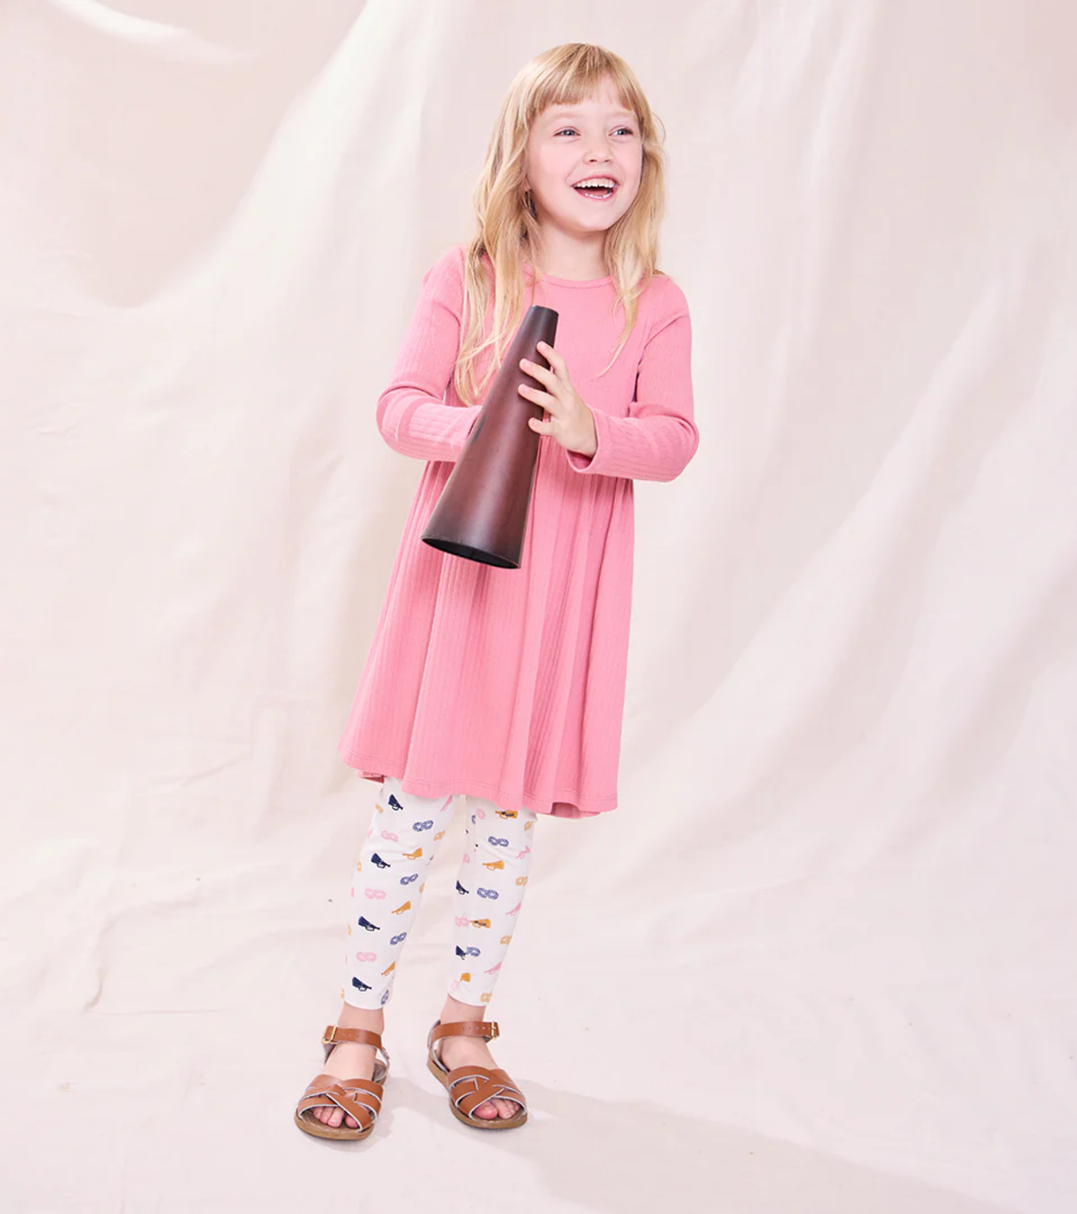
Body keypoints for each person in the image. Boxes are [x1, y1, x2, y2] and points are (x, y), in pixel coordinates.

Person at [295, 42, 699, 1140]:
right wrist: (475, 425)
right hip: (460, 591)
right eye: (567, 127)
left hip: (560, 601)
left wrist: (588, 431)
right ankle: (355, 1025)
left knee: (507, 824)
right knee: (414, 808)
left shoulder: (650, 300)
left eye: (619, 128)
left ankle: (464, 1022)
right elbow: (396, 405)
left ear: (643, 159)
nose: (597, 148)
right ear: (522, 156)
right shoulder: (468, 275)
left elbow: (670, 440)